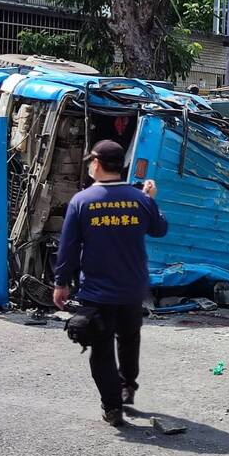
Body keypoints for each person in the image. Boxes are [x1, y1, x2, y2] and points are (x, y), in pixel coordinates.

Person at [53, 140, 168, 426]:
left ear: (97, 164)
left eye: (91, 161)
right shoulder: (140, 200)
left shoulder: (82, 202)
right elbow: (159, 229)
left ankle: (112, 406)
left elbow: (68, 248)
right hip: (132, 289)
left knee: (101, 350)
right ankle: (127, 385)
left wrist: (61, 283)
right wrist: (151, 199)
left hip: (96, 293)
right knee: (129, 340)